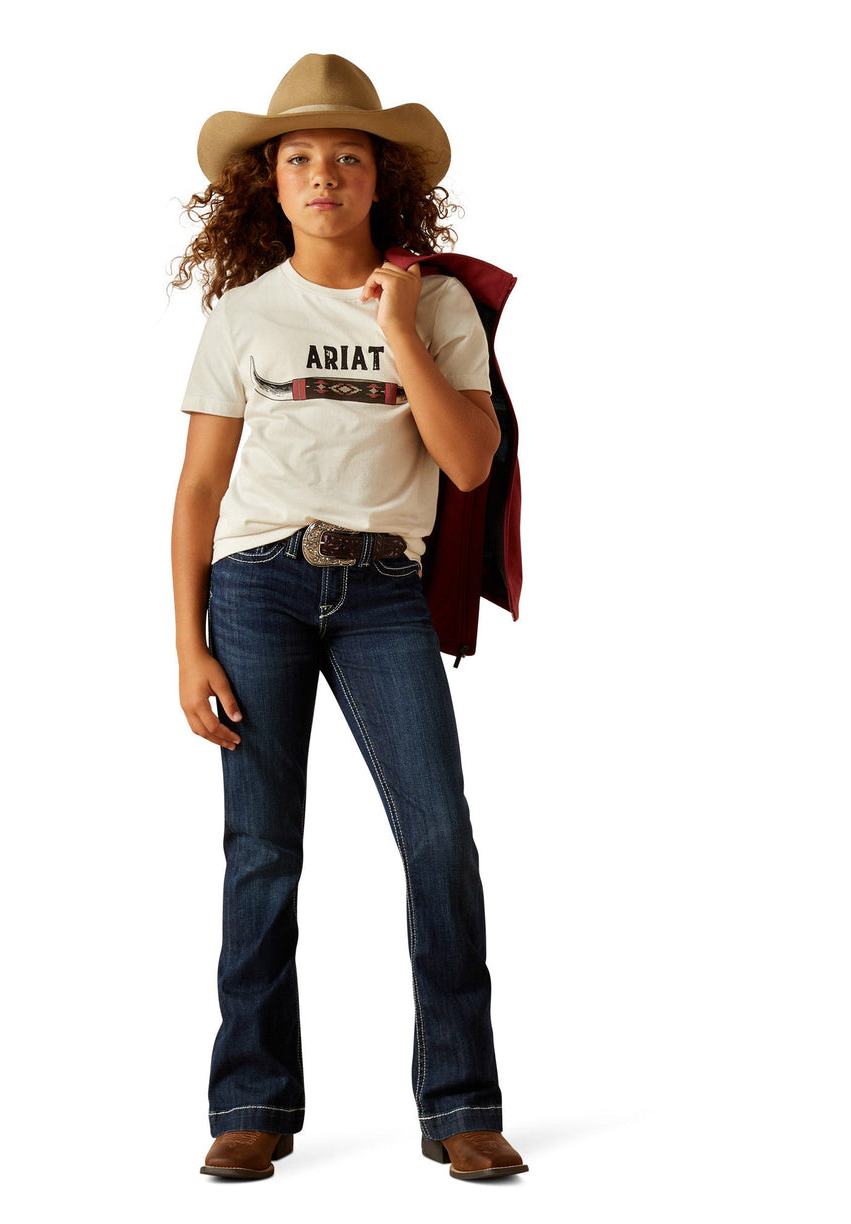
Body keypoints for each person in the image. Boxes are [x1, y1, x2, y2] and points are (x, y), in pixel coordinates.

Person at [170, 53, 527, 1182]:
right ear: (268, 184)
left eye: (347, 157)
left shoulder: (442, 305)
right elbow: (195, 491)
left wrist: (404, 326)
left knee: (439, 839)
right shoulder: (244, 315)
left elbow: (469, 465)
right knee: (262, 851)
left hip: (381, 592)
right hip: (260, 587)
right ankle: (253, 1104)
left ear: (380, 182)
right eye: (299, 157)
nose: (323, 173)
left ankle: (461, 1103)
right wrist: (187, 648)